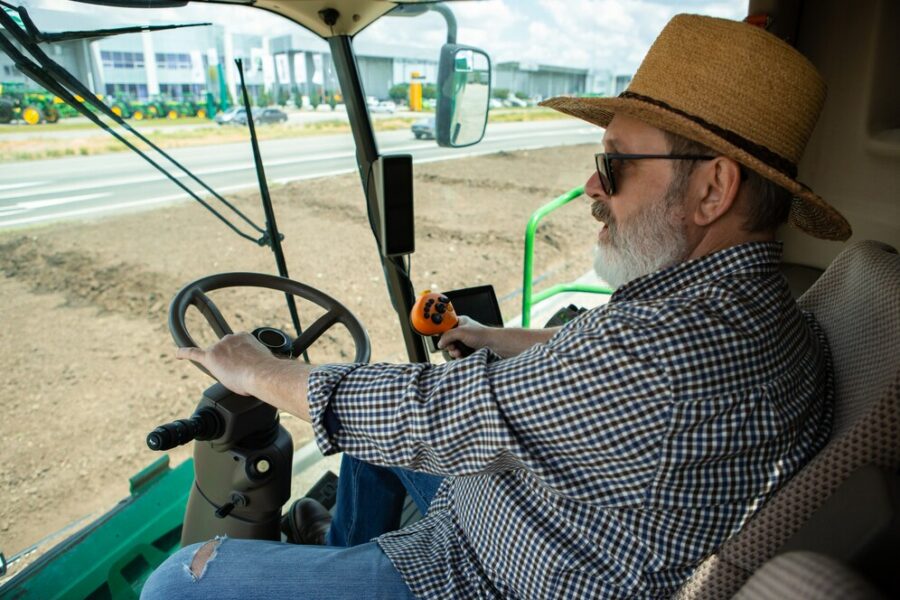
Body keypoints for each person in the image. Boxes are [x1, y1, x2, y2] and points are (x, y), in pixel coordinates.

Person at [141, 13, 851, 600]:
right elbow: (596, 362)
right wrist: (494, 338)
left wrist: (256, 372)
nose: (592, 187)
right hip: (548, 513)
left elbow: (427, 416)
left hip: (481, 572)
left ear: (711, 191)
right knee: (372, 437)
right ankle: (345, 549)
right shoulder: (760, 312)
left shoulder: (661, 355)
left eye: (614, 163)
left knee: (175, 584)